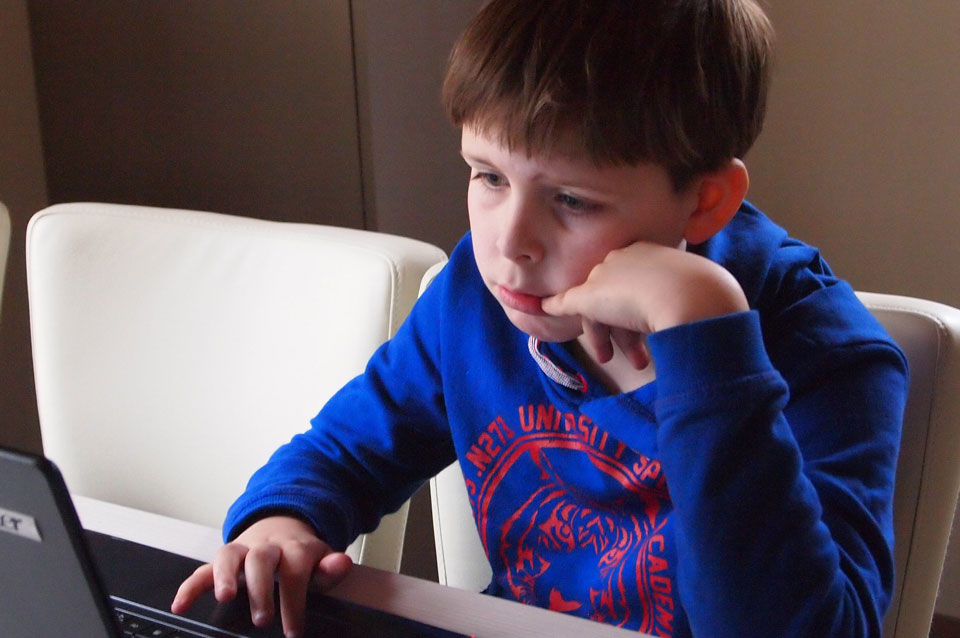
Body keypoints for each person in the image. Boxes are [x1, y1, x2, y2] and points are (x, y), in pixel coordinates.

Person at [172, 1, 908, 637]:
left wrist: (703, 332)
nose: (509, 243)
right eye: (488, 176)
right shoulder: (473, 295)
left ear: (705, 201)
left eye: (572, 200)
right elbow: (346, 452)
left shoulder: (826, 352)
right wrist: (282, 524)